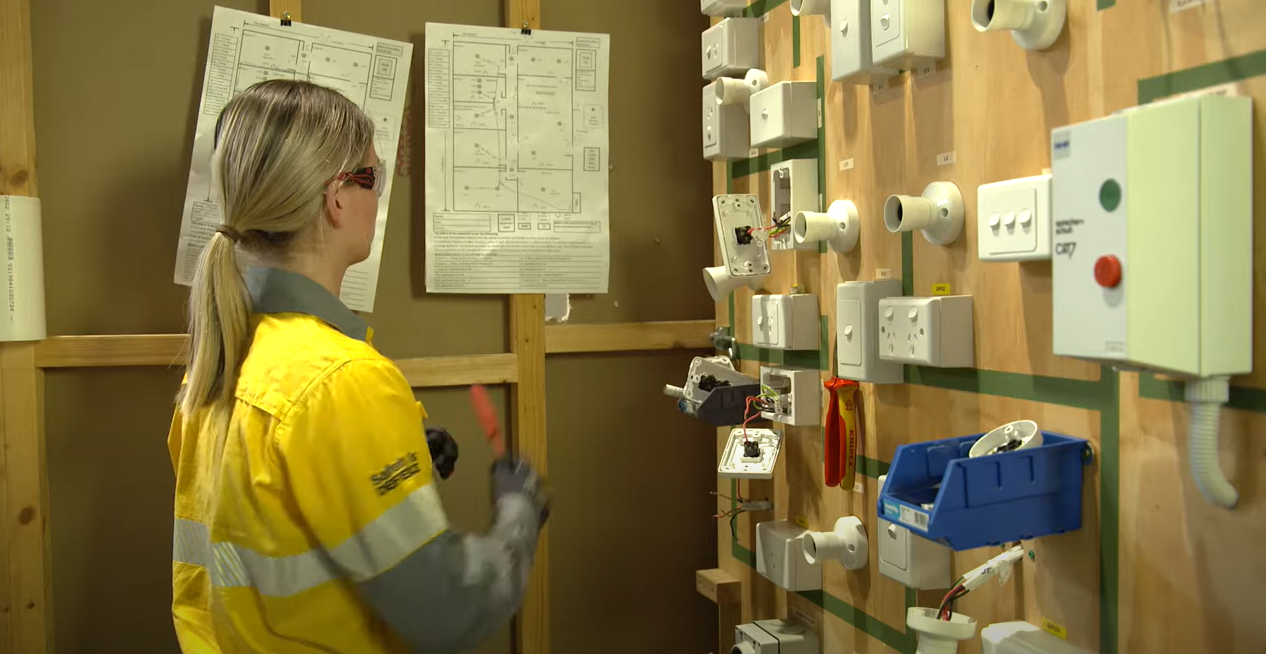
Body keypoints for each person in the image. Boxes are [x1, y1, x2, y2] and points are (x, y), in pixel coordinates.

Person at [167, 79, 548, 654]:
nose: (379, 195)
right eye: (375, 176)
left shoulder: (223, 360)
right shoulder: (340, 381)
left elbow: (265, 516)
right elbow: (450, 609)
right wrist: (518, 515)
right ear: (337, 198)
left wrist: (405, 445)